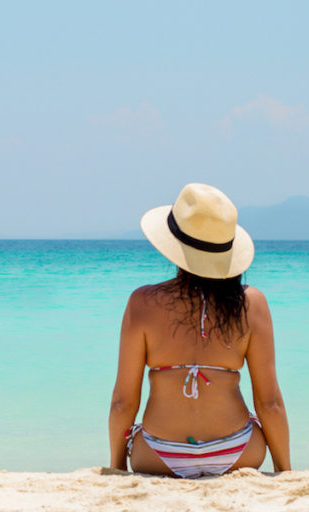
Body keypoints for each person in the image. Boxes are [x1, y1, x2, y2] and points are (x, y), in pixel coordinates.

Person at [109, 183, 290, 478]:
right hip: (238, 452)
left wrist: (117, 466)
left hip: (159, 454)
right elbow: (269, 402)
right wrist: (285, 471)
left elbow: (123, 402)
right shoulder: (251, 303)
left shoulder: (142, 302)